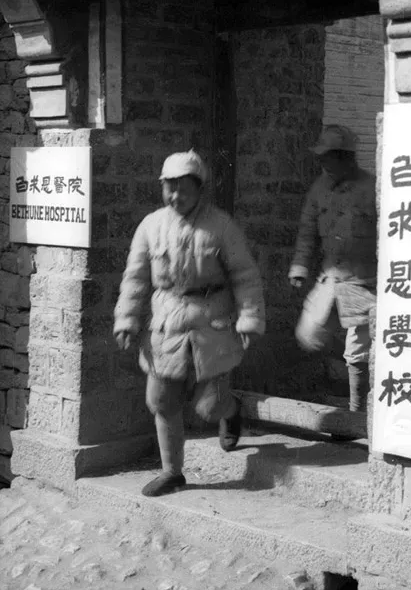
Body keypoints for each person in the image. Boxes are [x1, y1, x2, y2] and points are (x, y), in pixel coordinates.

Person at [114, 150, 265, 498]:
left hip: (211, 320)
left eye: (184, 189)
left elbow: (245, 275)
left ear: (200, 189)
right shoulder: (150, 226)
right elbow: (135, 278)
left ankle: (230, 411)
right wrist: (127, 319)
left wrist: (249, 318)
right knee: (161, 399)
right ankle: (172, 472)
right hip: (166, 322)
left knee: (209, 407)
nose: (176, 196)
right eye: (170, 188)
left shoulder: (221, 226)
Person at [289, 124, 377, 413]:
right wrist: (300, 266)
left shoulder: (371, 188)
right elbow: (307, 231)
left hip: (364, 282)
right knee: (309, 335)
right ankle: (353, 373)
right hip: (332, 279)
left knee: (357, 350)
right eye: (322, 158)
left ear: (345, 157)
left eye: (329, 157)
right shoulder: (319, 189)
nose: (324, 164)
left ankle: (355, 414)